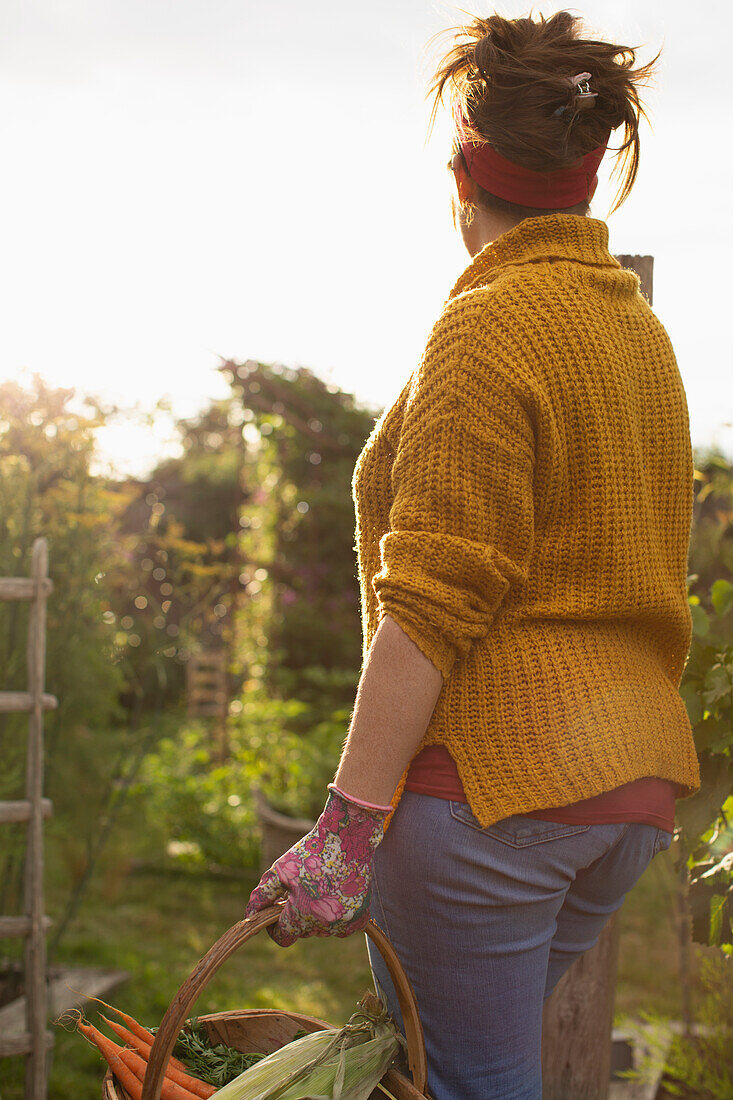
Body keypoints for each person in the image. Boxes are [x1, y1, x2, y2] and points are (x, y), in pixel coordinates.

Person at [244, 10, 701, 1099]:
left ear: (462, 173)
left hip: (492, 795)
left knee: (471, 1079)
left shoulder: (490, 321)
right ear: (590, 173)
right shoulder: (635, 329)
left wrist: (344, 829)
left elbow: (435, 599)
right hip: (624, 790)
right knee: (460, 1068)